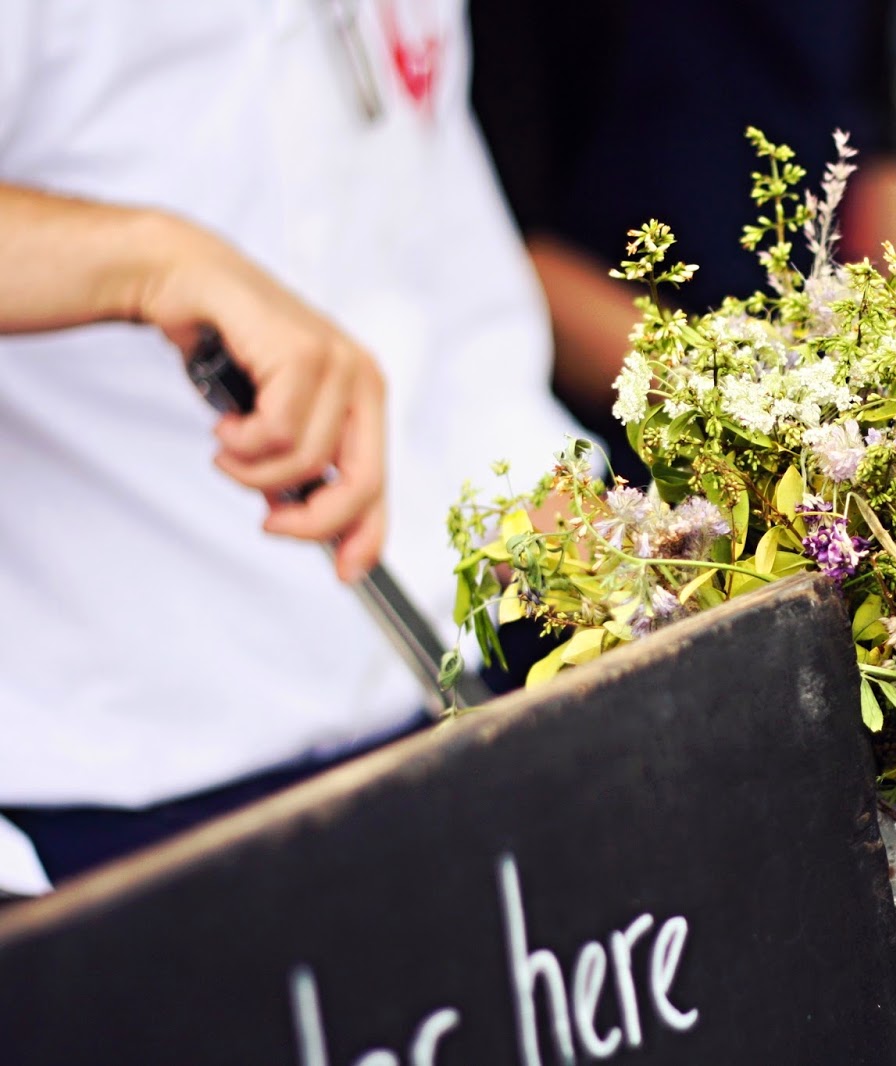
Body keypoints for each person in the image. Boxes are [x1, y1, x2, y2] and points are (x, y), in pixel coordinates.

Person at [0, 0, 587, 892]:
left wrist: (651, 571)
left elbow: (462, 326)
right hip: (123, 790)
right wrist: (152, 261)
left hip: (442, 704)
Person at [469, 0, 896, 451]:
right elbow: (492, 246)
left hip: (824, 403)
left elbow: (878, 163)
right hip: (624, 431)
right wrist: (743, 408)